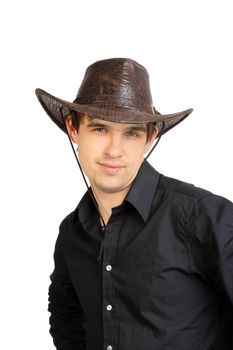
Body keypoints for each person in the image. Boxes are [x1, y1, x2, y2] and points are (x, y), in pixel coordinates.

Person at [35, 58, 233, 350]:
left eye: (131, 133)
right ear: (73, 129)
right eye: (100, 129)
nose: (114, 150)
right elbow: (66, 316)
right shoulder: (71, 233)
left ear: (150, 137)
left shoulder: (202, 215)